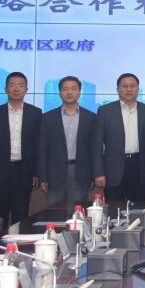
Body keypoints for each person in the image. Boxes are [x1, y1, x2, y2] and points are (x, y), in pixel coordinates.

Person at [0, 72, 42, 227]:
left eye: (20, 86)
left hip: (24, 171)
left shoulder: (35, 113)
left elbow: (38, 146)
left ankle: (18, 242)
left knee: (21, 216)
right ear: (5, 89)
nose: (16, 89)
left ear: (26, 90)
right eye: (12, 85)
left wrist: (36, 173)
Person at [93, 73, 145, 203]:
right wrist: (99, 173)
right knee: (114, 209)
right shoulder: (105, 111)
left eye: (132, 86)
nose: (129, 89)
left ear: (138, 89)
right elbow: (97, 144)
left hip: (139, 168)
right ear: (117, 90)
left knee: (138, 209)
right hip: (113, 169)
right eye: (125, 86)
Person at [38, 76, 96, 206]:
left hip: (81, 172)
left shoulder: (90, 117)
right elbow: (42, 150)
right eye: (65, 89)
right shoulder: (48, 118)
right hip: (54, 174)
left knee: (77, 212)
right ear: (60, 93)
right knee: (54, 212)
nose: (69, 92)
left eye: (73, 89)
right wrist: (43, 177)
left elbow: (93, 149)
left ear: (79, 92)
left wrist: (93, 175)